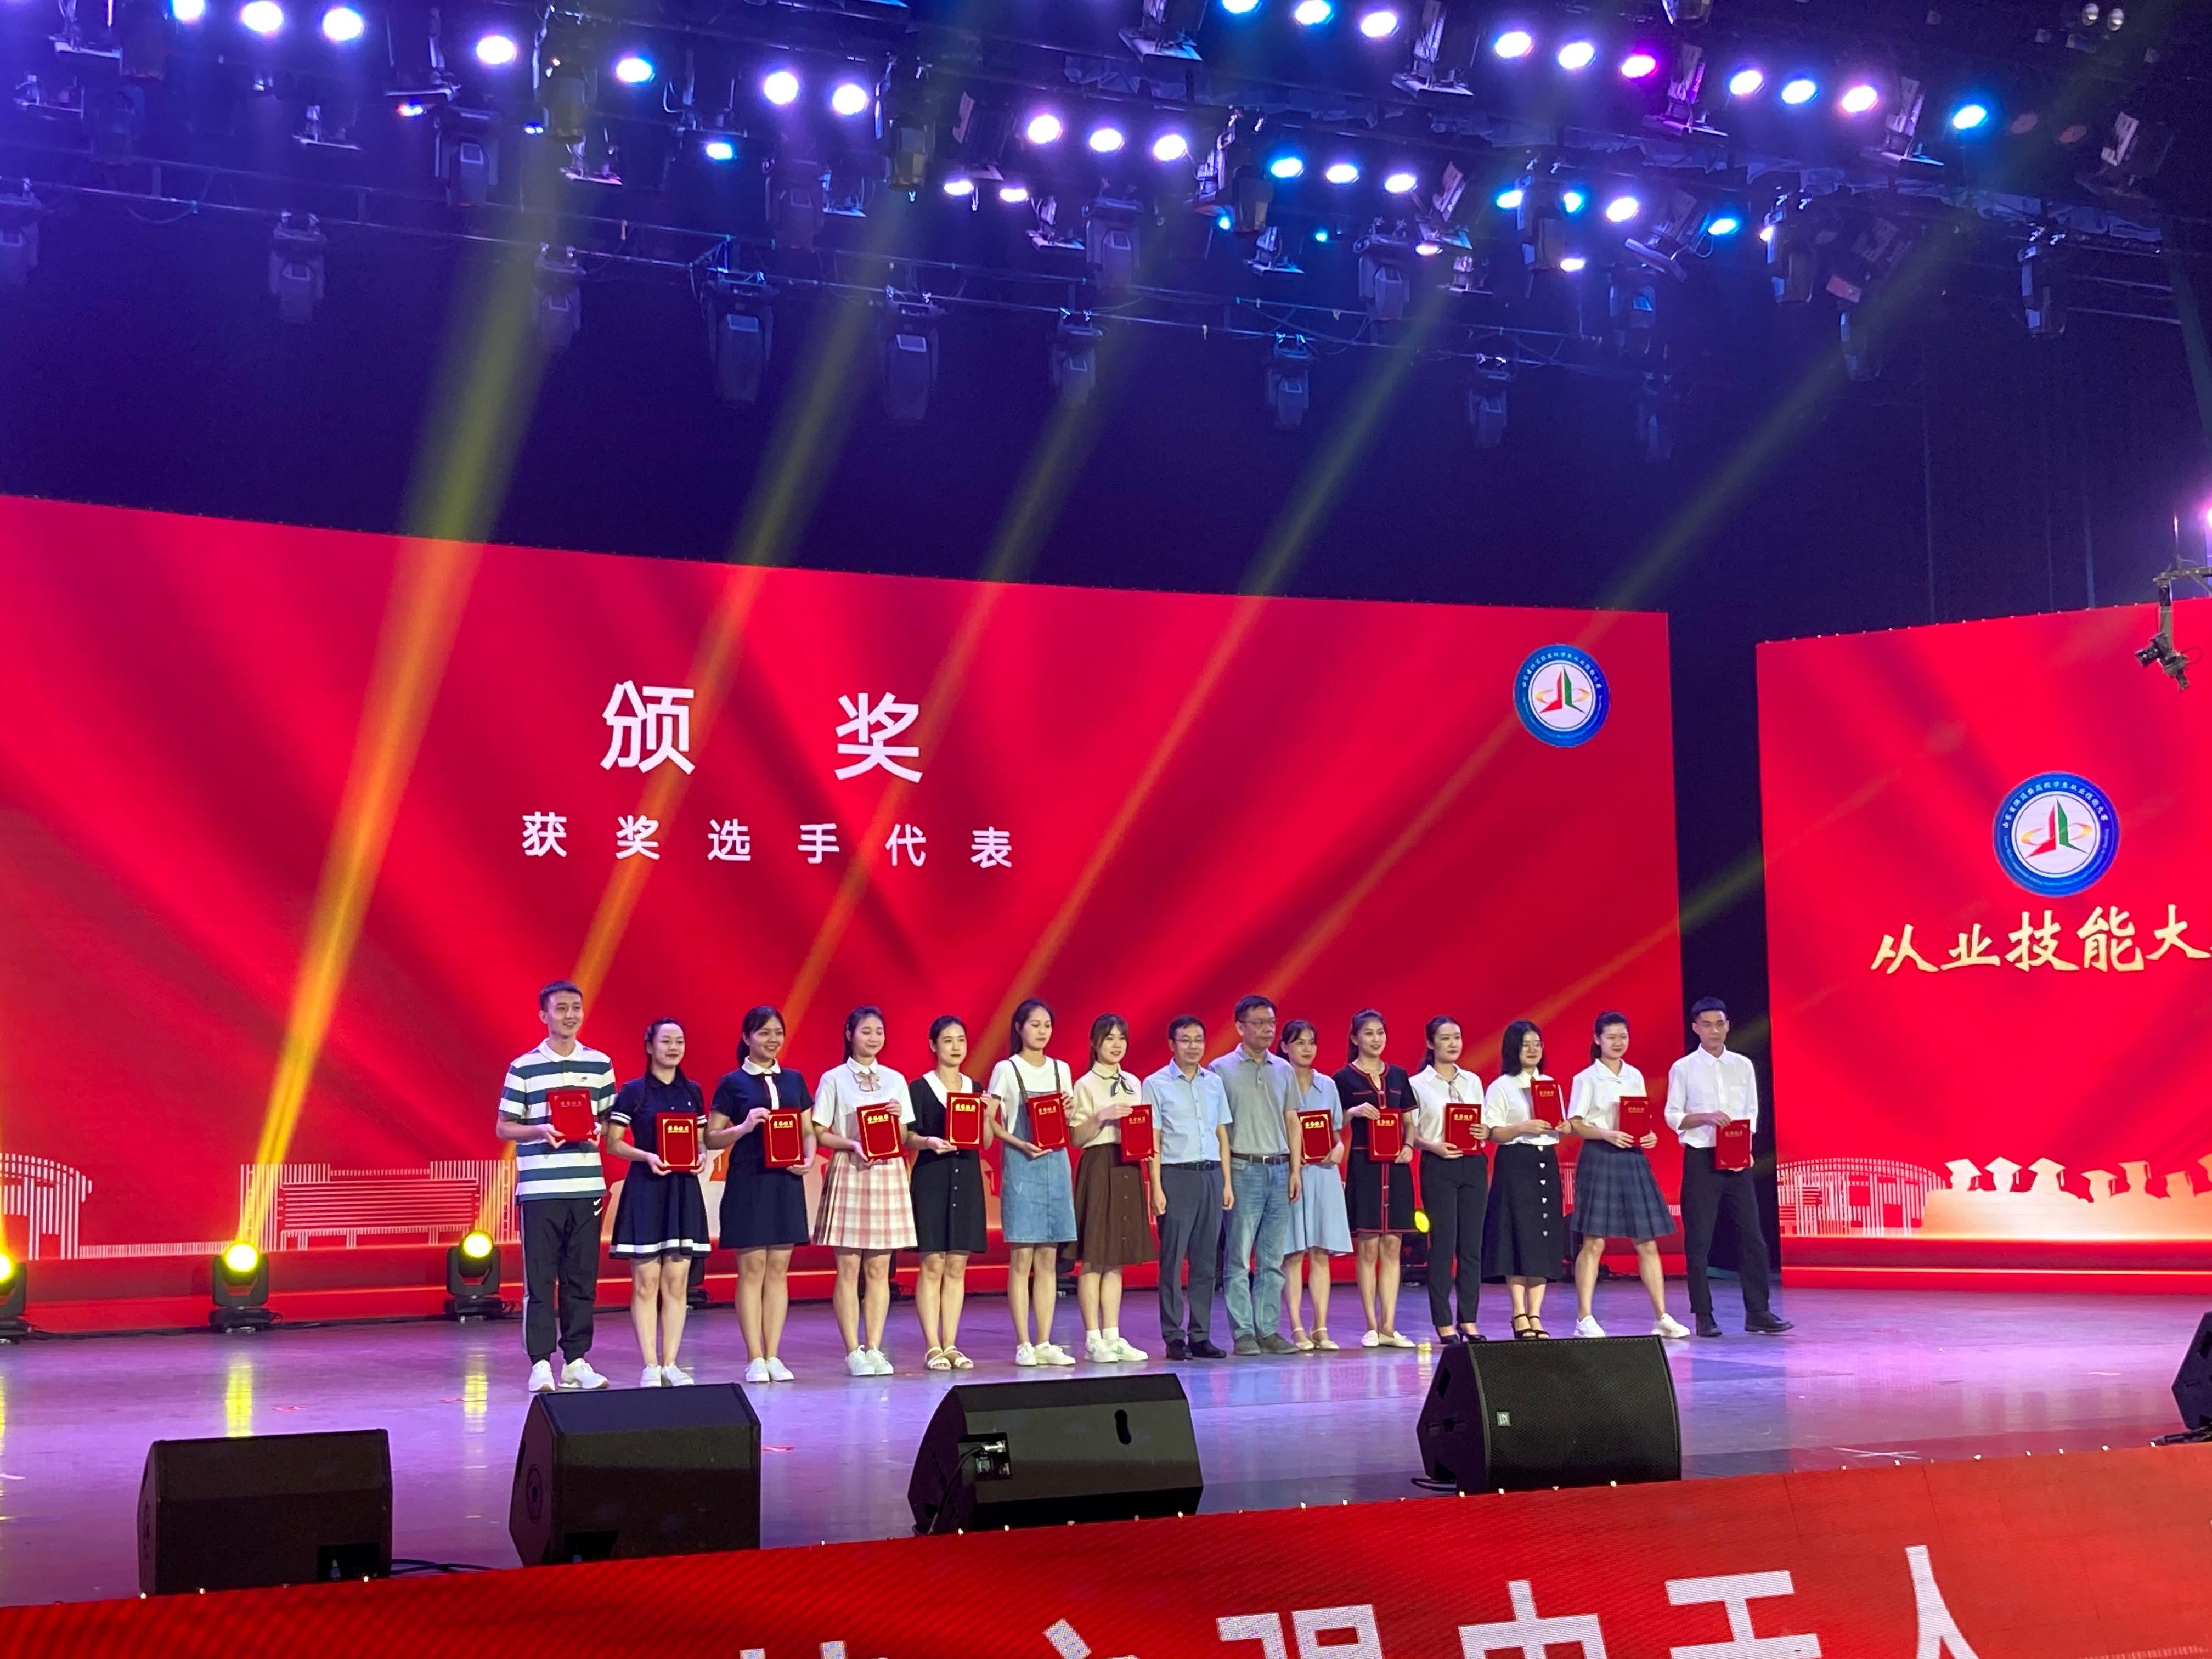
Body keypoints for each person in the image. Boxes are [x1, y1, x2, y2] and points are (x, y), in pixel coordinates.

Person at [496, 980, 617, 1394]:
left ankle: (576, 1360)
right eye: (561, 1008)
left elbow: (610, 1120)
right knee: (541, 1280)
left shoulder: (600, 1064)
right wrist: (540, 1130)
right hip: (540, 1189)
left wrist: (600, 1129)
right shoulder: (524, 1067)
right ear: (543, 1015)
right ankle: (541, 1363)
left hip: (586, 1187)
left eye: (576, 1008)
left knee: (582, 1278)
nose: (570, 1015)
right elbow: (504, 1126)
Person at [1665, 998, 1793, 1339]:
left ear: (1728, 1026)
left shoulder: (1742, 1065)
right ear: (1696, 1028)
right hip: (1701, 1158)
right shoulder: (1684, 1068)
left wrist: (1745, 1148)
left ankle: (1758, 1312)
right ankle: (1703, 1315)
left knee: (1752, 1237)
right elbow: (1673, 1116)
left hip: (1737, 1159)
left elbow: (1751, 1111)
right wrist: (1704, 1117)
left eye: (1719, 1024)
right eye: (1707, 1025)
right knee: (1699, 1240)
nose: (1714, 1030)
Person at [705, 1005, 815, 1384]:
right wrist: (744, 1127)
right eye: (764, 1033)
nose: (772, 1040)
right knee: (752, 1270)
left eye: (777, 1033)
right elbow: (711, 1138)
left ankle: (774, 1354)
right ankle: (754, 1356)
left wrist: (809, 1157)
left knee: (779, 1270)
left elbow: (808, 1130)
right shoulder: (732, 1082)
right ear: (746, 1038)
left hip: (786, 1183)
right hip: (749, 1181)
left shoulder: (794, 1080)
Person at [1566, 1012, 1690, 1340]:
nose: (1618, 1042)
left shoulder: (1634, 1075)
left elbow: (1637, 1117)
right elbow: (1575, 1124)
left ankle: (1662, 1317)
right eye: (1611, 1037)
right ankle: (1584, 1318)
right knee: (1594, 1241)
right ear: (1597, 1040)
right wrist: (1606, 1134)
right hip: (1600, 1156)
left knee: (1647, 1240)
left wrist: (1648, 1136)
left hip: (1632, 1157)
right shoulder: (1586, 1078)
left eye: (1623, 1036)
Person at [811, 1005, 919, 1376]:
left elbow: (903, 1135)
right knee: (848, 1268)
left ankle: (874, 1347)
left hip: (887, 1173)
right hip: (851, 1169)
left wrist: (896, 1119)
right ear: (850, 1034)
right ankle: (852, 1350)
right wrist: (851, 1144)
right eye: (866, 1031)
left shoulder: (895, 1080)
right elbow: (819, 1132)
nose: (873, 1038)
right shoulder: (834, 1079)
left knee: (879, 1268)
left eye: (879, 1032)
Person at [606, 1018, 711, 1386]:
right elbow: (614, 1143)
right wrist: (647, 1157)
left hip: (683, 1191)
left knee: (678, 1283)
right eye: (666, 1041)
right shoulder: (633, 1092)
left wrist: (701, 1157)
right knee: (646, 1282)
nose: (674, 1048)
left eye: (679, 1041)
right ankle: (650, 1365)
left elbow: (701, 1140)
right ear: (650, 1047)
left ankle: (671, 1364)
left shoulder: (693, 1091)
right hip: (646, 1190)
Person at [987, 999, 1079, 1367]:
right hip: (1023, 1164)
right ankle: (1023, 1342)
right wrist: (1020, 1143)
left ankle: (1044, 1341)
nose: (1042, 1031)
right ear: (1019, 1028)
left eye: (1047, 1025)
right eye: (1035, 1024)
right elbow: (991, 1121)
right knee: (1022, 1257)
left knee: (1048, 1259)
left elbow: (1068, 1122)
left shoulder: (1061, 1069)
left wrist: (1069, 1111)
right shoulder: (1007, 1069)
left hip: (1056, 1166)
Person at [1069, 1013, 1156, 1363]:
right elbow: (1076, 1138)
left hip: (1128, 1166)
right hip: (1099, 1165)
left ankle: (1113, 1335)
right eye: (1109, 1038)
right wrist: (1101, 1116)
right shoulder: (1084, 1084)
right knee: (1095, 1256)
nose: (1117, 1045)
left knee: (1117, 1257)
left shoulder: (1134, 1082)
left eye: (1122, 1038)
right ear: (1095, 1043)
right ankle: (1093, 1338)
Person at [1214, 995, 1298, 1356]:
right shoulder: (1221, 1070)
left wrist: (1295, 1169)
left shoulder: (1284, 1069)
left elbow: (1292, 1120)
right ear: (1240, 1027)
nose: (1268, 1029)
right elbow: (1218, 1128)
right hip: (1243, 1167)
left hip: (1279, 1168)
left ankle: (1268, 1330)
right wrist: (1225, 1179)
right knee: (1238, 1258)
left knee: (1272, 1259)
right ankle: (1244, 1332)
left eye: (1272, 1022)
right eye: (1260, 1022)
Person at [1144, 1015, 1232, 1359]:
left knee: (1206, 1261)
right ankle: (1173, 1336)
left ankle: (1200, 1335)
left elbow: (1222, 1134)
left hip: (1211, 1175)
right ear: (1172, 1044)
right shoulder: (1156, 1083)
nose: (1193, 1046)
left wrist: (1226, 1182)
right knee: (1172, 1260)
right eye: (1186, 1040)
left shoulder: (1214, 1083)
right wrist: (1156, 1187)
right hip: (1176, 1175)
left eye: (1198, 1040)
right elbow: (1153, 1138)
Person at [1335, 1009, 1417, 1348]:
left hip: (1396, 1167)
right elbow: (1333, 1121)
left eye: (1380, 1032)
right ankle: (1371, 1325)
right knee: (1368, 1247)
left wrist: (1409, 1146)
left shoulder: (1398, 1075)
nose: (1376, 1039)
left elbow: (1410, 1122)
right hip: (1365, 1167)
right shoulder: (1344, 1078)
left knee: (1393, 1246)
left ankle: (1389, 1326)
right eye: (1368, 1033)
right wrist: (1352, 1112)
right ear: (1355, 1038)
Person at [907, 1015, 985, 1371]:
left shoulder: (975, 1088)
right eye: (948, 1040)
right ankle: (932, 1346)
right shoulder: (920, 1088)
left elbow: (985, 1140)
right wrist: (928, 1142)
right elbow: (907, 1136)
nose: (956, 1047)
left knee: (957, 1264)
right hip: (932, 1177)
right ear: (933, 1045)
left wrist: (987, 1114)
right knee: (933, 1263)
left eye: (961, 1040)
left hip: (966, 1176)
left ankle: (951, 1343)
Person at [1481, 1020, 1568, 1339]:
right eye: (1526, 1044)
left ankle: (1536, 1314)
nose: (1533, 1050)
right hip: (1516, 1161)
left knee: (1543, 1237)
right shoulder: (1502, 1086)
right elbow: (1492, 1133)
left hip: (1545, 1160)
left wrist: (1564, 1128)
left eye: (1537, 1044)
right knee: (1517, 1237)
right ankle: (1519, 1313)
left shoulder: (1550, 1084)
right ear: (1513, 1049)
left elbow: (1555, 1128)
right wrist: (1522, 1127)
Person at [1409, 1015, 1486, 1344]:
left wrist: (1484, 1131)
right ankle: (1442, 1321)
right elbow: (1410, 1132)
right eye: (1445, 1038)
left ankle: (1468, 1319)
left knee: (1471, 1246)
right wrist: (1433, 1146)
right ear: (1431, 1043)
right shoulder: (1418, 1084)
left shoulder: (1472, 1081)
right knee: (1443, 1244)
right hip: (1439, 1165)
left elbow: (1483, 1122)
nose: (1453, 1044)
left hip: (1473, 1165)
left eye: (1457, 1037)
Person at [1280, 1020, 1352, 1351]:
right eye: (1300, 1042)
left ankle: (1321, 1327)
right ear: (1285, 1047)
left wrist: (1339, 1148)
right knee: (1294, 1253)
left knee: (1321, 1251)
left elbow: (1335, 1132)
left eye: (1312, 1042)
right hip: (1292, 1174)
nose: (1307, 1048)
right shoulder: (1278, 1082)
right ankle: (1296, 1327)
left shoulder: (1328, 1085)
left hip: (1324, 1175)